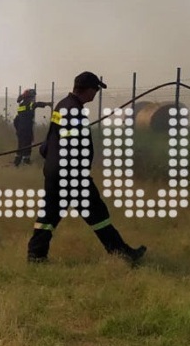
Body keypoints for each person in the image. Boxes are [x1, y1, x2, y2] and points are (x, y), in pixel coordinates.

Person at [27, 71, 146, 266]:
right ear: (88, 89)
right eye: (96, 89)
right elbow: (73, 146)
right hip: (71, 174)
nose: (96, 93)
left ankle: (35, 256)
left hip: (55, 171)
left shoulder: (62, 105)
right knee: (98, 214)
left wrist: (49, 156)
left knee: (49, 216)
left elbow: (51, 138)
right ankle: (123, 254)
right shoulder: (74, 111)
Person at [12, 88, 51, 167]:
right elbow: (37, 104)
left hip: (20, 128)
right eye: (33, 97)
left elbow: (16, 120)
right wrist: (47, 104)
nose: (33, 98)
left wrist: (17, 129)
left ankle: (17, 162)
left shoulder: (21, 105)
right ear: (29, 97)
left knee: (20, 145)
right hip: (26, 129)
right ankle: (26, 161)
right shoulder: (29, 104)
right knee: (27, 145)